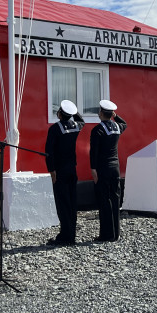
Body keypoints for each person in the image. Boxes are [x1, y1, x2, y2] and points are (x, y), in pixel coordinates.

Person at [44, 99, 85, 246]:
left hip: (60, 170)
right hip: (72, 169)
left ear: (60, 113)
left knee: (62, 204)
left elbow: (49, 151)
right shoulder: (76, 126)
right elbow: (81, 120)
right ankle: (71, 234)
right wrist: (74, 110)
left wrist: (51, 170)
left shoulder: (55, 129)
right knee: (72, 202)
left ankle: (65, 236)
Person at [90, 99, 127, 242]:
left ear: (100, 113)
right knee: (115, 198)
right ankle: (116, 233)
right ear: (111, 114)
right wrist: (115, 116)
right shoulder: (117, 127)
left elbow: (94, 152)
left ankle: (106, 234)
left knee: (104, 200)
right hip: (115, 167)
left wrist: (93, 169)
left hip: (103, 168)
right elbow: (125, 124)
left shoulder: (97, 130)